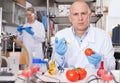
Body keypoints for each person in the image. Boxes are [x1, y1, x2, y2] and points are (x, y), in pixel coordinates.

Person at [51, 0, 115, 70]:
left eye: (83, 13)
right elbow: (53, 69)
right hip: (68, 79)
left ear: (89, 16)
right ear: (70, 18)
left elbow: (112, 67)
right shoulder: (60, 36)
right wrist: (59, 56)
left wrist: (100, 62)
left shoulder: (103, 36)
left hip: (93, 80)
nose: (80, 18)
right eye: (75, 14)